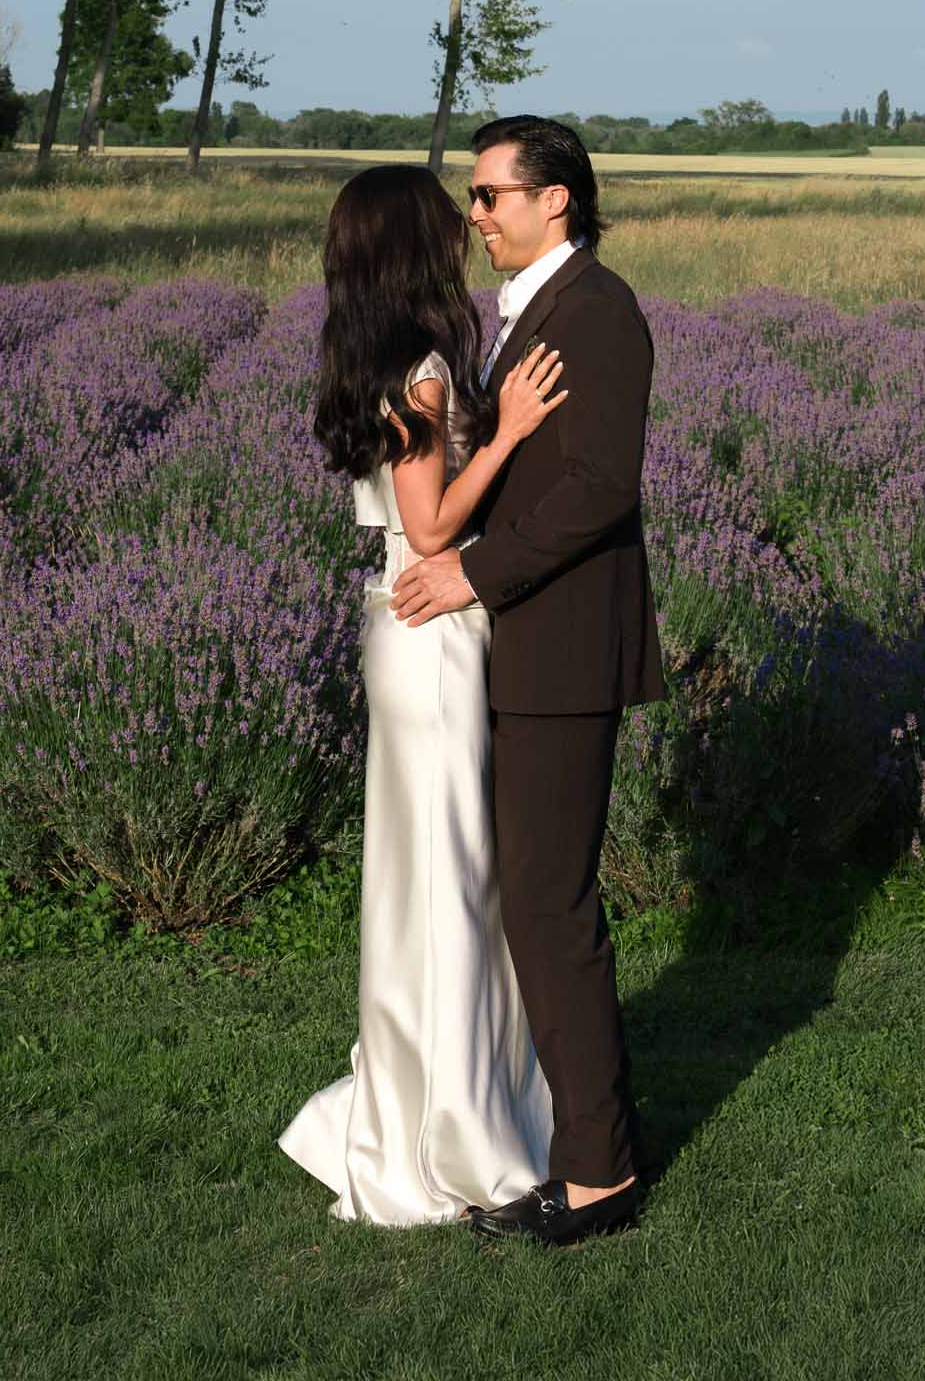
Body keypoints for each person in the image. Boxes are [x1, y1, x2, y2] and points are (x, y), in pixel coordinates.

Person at [390, 116, 665, 1247]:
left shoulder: (596, 312)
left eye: (491, 193)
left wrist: (468, 574)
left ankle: (600, 1174)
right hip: (525, 640)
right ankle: (570, 1133)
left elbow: (600, 487)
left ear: (556, 199)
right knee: (533, 902)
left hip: (559, 647)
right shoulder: (529, 311)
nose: (476, 214)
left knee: (550, 905)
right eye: (472, 195)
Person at [277, 162, 567, 1224]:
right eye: (452, 217)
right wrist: (509, 433)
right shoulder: (423, 366)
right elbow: (434, 524)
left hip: (401, 626)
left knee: (423, 877)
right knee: (450, 883)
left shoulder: (374, 352)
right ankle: (456, 1137)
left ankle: (429, 1105)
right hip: (435, 631)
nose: (466, 227)